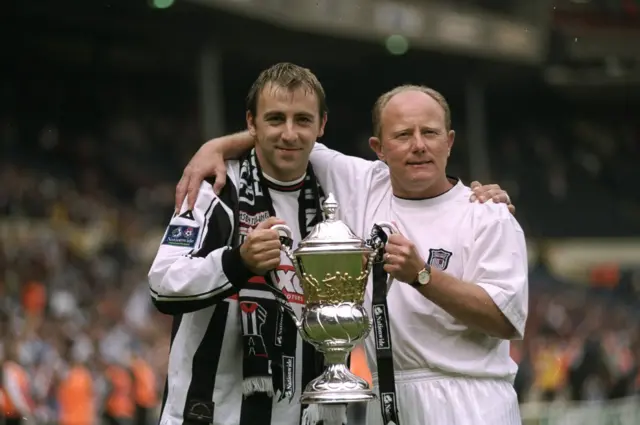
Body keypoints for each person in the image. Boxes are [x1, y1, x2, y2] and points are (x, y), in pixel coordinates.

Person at [175, 84, 527, 425]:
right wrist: (214, 148)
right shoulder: (361, 184)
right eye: (403, 135)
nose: (419, 145)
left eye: (430, 133)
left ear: (449, 141)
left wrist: (423, 275)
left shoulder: (487, 215)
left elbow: (505, 320)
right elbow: (290, 138)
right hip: (385, 398)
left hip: (470, 401)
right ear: (379, 148)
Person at [149, 62, 348, 425]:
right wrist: (238, 261)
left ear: (321, 126)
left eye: (302, 120)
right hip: (208, 414)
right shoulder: (213, 191)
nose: (289, 133)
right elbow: (163, 284)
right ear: (251, 124)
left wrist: (481, 196)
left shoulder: (339, 203)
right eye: (275, 119)